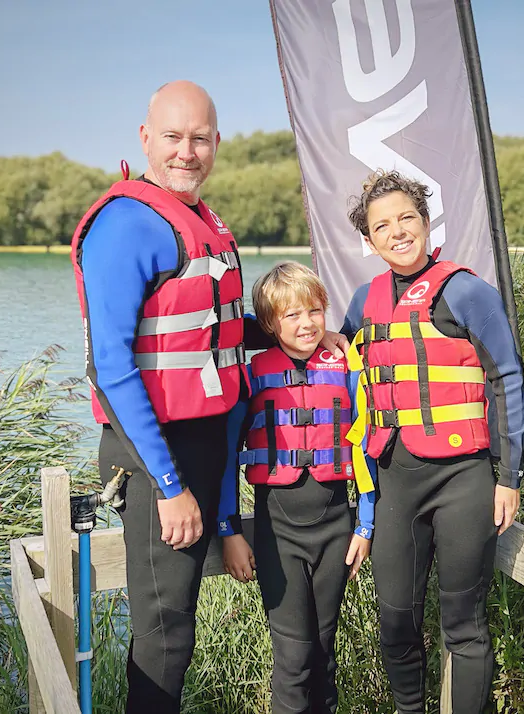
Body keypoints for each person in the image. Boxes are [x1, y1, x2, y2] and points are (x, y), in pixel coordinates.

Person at [69, 81, 346, 714]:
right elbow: (110, 368)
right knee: (165, 636)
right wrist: (169, 486)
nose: (187, 151)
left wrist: (299, 329)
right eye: (173, 137)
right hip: (154, 454)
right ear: (145, 139)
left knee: (179, 634)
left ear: (216, 142)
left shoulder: (198, 217)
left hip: (203, 445)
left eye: (200, 138)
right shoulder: (125, 224)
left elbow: (207, 333)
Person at [341, 170, 524, 713]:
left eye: (407, 218)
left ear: (426, 222)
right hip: (396, 481)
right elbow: (331, 359)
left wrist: (509, 477)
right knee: (396, 617)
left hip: (463, 480)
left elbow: (508, 380)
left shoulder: (467, 291)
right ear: (370, 240)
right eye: (383, 226)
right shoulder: (364, 301)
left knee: (463, 623)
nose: (397, 232)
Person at [218, 262, 376, 714]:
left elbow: (363, 448)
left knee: (325, 654)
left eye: (314, 311)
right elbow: (227, 458)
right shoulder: (251, 375)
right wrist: (229, 531)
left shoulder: (347, 368)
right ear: (269, 325)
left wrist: (364, 526)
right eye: (292, 316)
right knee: (294, 660)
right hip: (278, 533)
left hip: (335, 529)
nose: (307, 323)